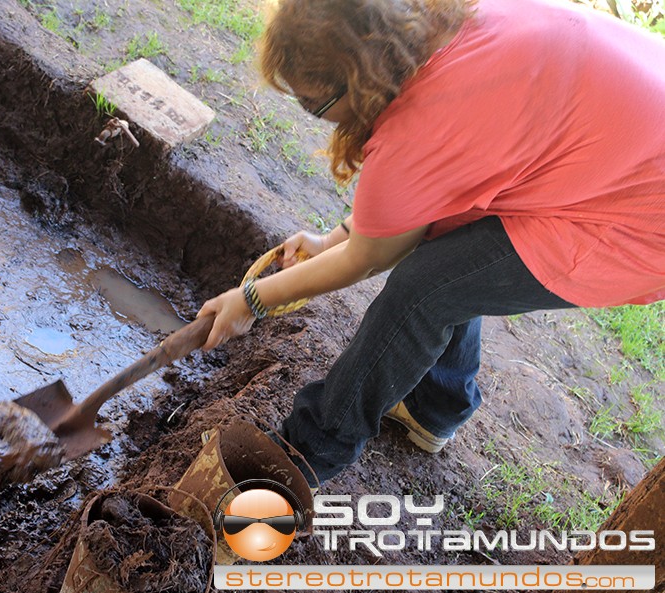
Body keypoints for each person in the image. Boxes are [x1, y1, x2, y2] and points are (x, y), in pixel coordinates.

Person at [196, 0, 665, 486]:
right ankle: (434, 405)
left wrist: (251, 300)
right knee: (446, 255)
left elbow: (369, 256)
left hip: (639, 214)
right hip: (622, 142)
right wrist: (330, 239)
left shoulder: (426, 114)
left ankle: (303, 459)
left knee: (424, 290)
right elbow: (426, 192)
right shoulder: (436, 31)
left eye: (313, 104)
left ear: (357, 77)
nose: (317, 118)